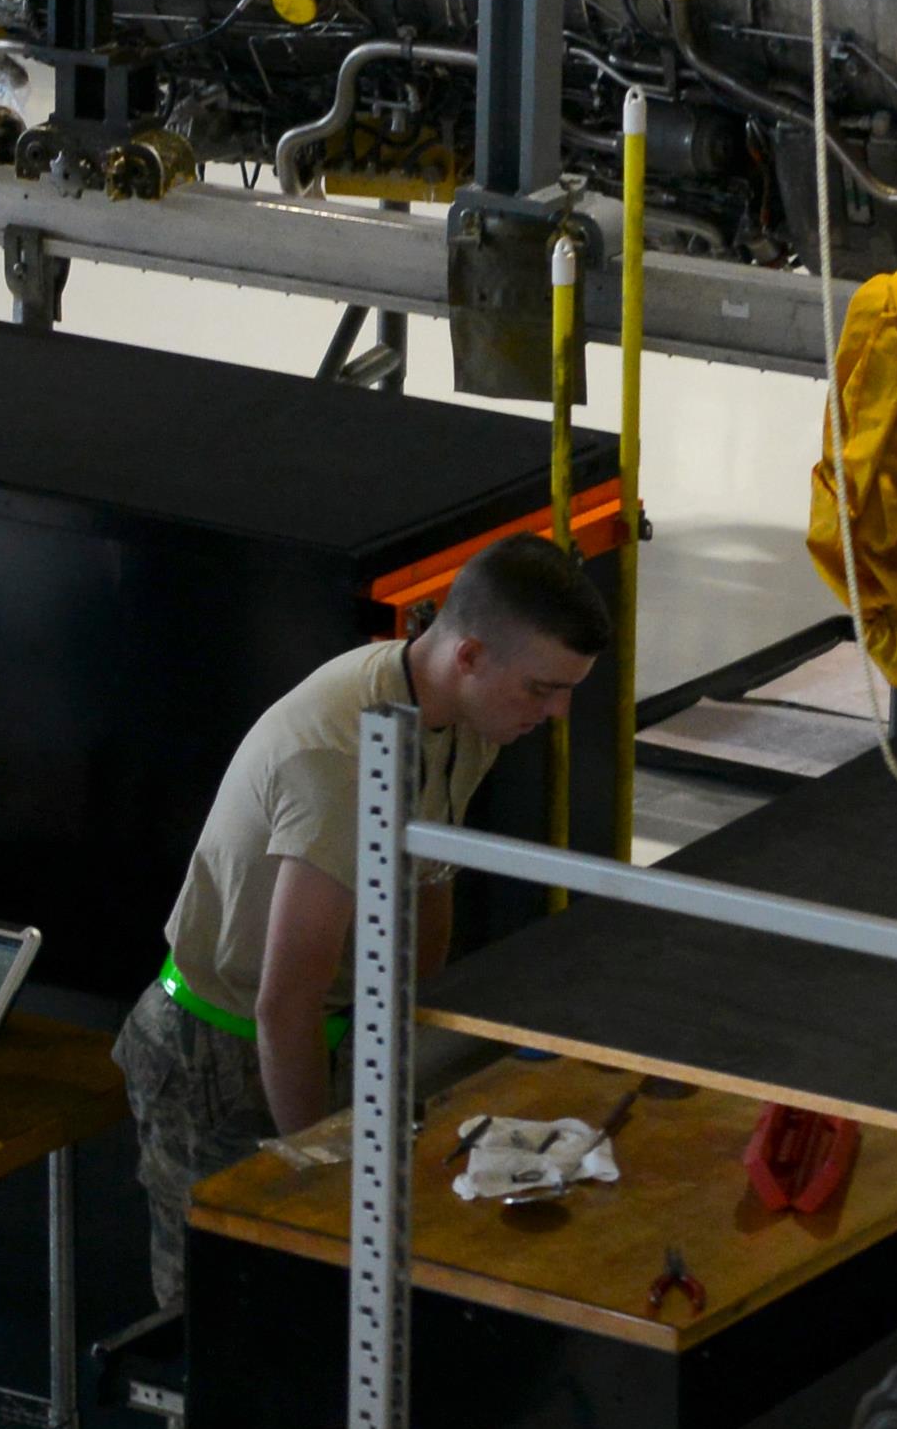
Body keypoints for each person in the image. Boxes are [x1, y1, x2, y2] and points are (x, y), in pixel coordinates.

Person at [121, 536, 618, 1316]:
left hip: (333, 1029)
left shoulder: (466, 713)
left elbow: (430, 869)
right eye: (542, 689)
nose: (557, 715)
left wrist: (412, 1049)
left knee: (335, 1317)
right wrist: (329, 1176)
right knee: (227, 1331)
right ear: (470, 655)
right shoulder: (343, 756)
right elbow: (283, 1003)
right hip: (218, 1052)